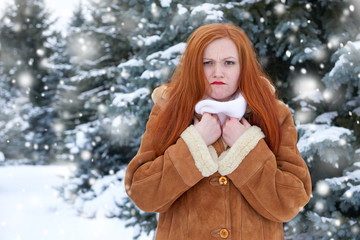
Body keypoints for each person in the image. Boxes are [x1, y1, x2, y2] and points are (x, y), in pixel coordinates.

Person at [124, 23, 311, 240]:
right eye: (207, 63)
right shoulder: (168, 110)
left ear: (244, 67)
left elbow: (291, 201)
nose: (218, 72)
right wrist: (194, 144)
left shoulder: (274, 115)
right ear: (194, 66)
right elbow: (142, 193)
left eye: (229, 63)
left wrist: (247, 148)